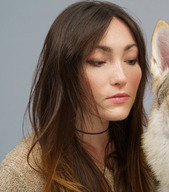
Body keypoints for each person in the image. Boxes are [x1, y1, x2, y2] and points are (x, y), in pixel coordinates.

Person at [0, 1, 155, 191]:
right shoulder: (22, 173)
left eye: (131, 60)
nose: (121, 77)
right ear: (65, 71)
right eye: (98, 62)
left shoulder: (152, 158)